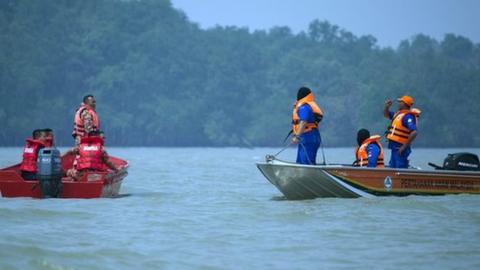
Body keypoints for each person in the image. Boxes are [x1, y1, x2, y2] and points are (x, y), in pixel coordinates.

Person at [383, 95, 420, 168]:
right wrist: (387, 107)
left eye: (400, 102)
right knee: (393, 168)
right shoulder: (398, 114)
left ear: (404, 104)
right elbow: (386, 115)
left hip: (400, 148)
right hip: (394, 148)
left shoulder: (408, 116)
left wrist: (404, 146)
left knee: (399, 168)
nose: (399, 103)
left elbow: (414, 132)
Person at [291, 86, 324, 165]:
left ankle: (312, 176)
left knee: (306, 163)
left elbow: (303, 122)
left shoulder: (304, 107)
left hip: (309, 137)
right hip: (307, 137)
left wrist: (297, 136)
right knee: (300, 163)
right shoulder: (305, 105)